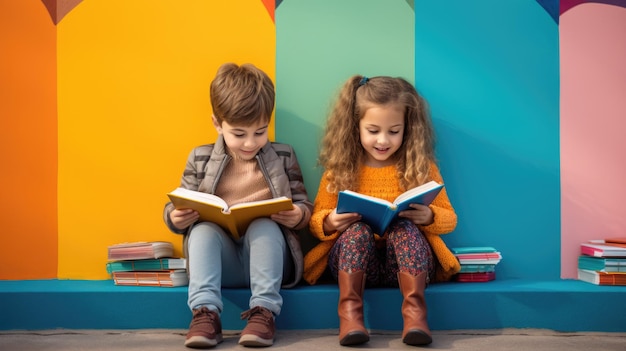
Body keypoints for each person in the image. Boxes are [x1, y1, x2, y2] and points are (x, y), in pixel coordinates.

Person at [303, 75, 460, 347]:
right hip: (355, 264)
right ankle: (350, 316)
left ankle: (415, 316)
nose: (383, 140)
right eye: (373, 131)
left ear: (407, 128)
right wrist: (331, 222)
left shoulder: (420, 167)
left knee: (404, 229)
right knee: (358, 232)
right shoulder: (340, 169)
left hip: (405, 266)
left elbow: (450, 218)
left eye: (394, 131)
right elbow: (316, 221)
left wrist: (430, 216)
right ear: (356, 127)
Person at [163, 63, 313, 349]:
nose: (250, 143)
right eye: (239, 133)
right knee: (203, 230)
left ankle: (264, 312)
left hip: (269, 259)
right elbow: (178, 203)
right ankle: (205, 313)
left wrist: (297, 215)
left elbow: (303, 204)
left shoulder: (283, 155)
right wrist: (176, 217)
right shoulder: (200, 157)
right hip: (222, 262)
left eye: (260, 132)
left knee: (265, 225)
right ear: (218, 124)